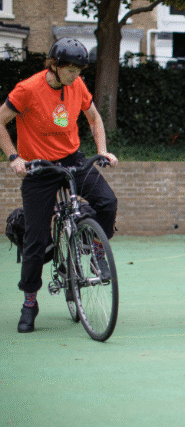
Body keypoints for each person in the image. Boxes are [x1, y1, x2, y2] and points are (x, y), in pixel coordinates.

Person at [0, 38, 119, 333]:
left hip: (72, 159)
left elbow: (94, 117)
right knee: (35, 240)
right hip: (38, 168)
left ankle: (95, 251)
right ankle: (30, 301)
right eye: (71, 70)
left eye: (80, 69)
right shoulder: (27, 89)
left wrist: (102, 149)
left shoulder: (76, 86)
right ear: (54, 65)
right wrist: (13, 156)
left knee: (107, 202)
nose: (76, 75)